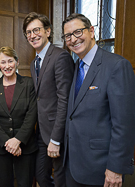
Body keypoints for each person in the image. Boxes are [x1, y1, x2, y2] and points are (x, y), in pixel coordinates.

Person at [62, 13, 135, 187]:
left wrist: (116, 168)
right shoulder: (75, 66)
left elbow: (124, 123)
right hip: (73, 165)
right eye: (68, 36)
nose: (73, 39)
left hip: (101, 169)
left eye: (78, 32)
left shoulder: (117, 66)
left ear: (92, 31)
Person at [22, 12, 74, 187]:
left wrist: (56, 139)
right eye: (28, 32)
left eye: (36, 30)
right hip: (41, 132)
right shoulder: (34, 62)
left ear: (48, 31)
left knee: (60, 178)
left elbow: (64, 100)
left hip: (57, 132)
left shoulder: (60, 57)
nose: (32, 35)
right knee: (41, 175)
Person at [0, 46, 38, 187]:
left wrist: (18, 140)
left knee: (25, 183)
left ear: (17, 62)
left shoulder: (28, 84)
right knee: (5, 183)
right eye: (3, 62)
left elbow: (32, 115)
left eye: (10, 61)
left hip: (25, 146)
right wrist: (7, 142)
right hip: (2, 147)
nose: (7, 66)